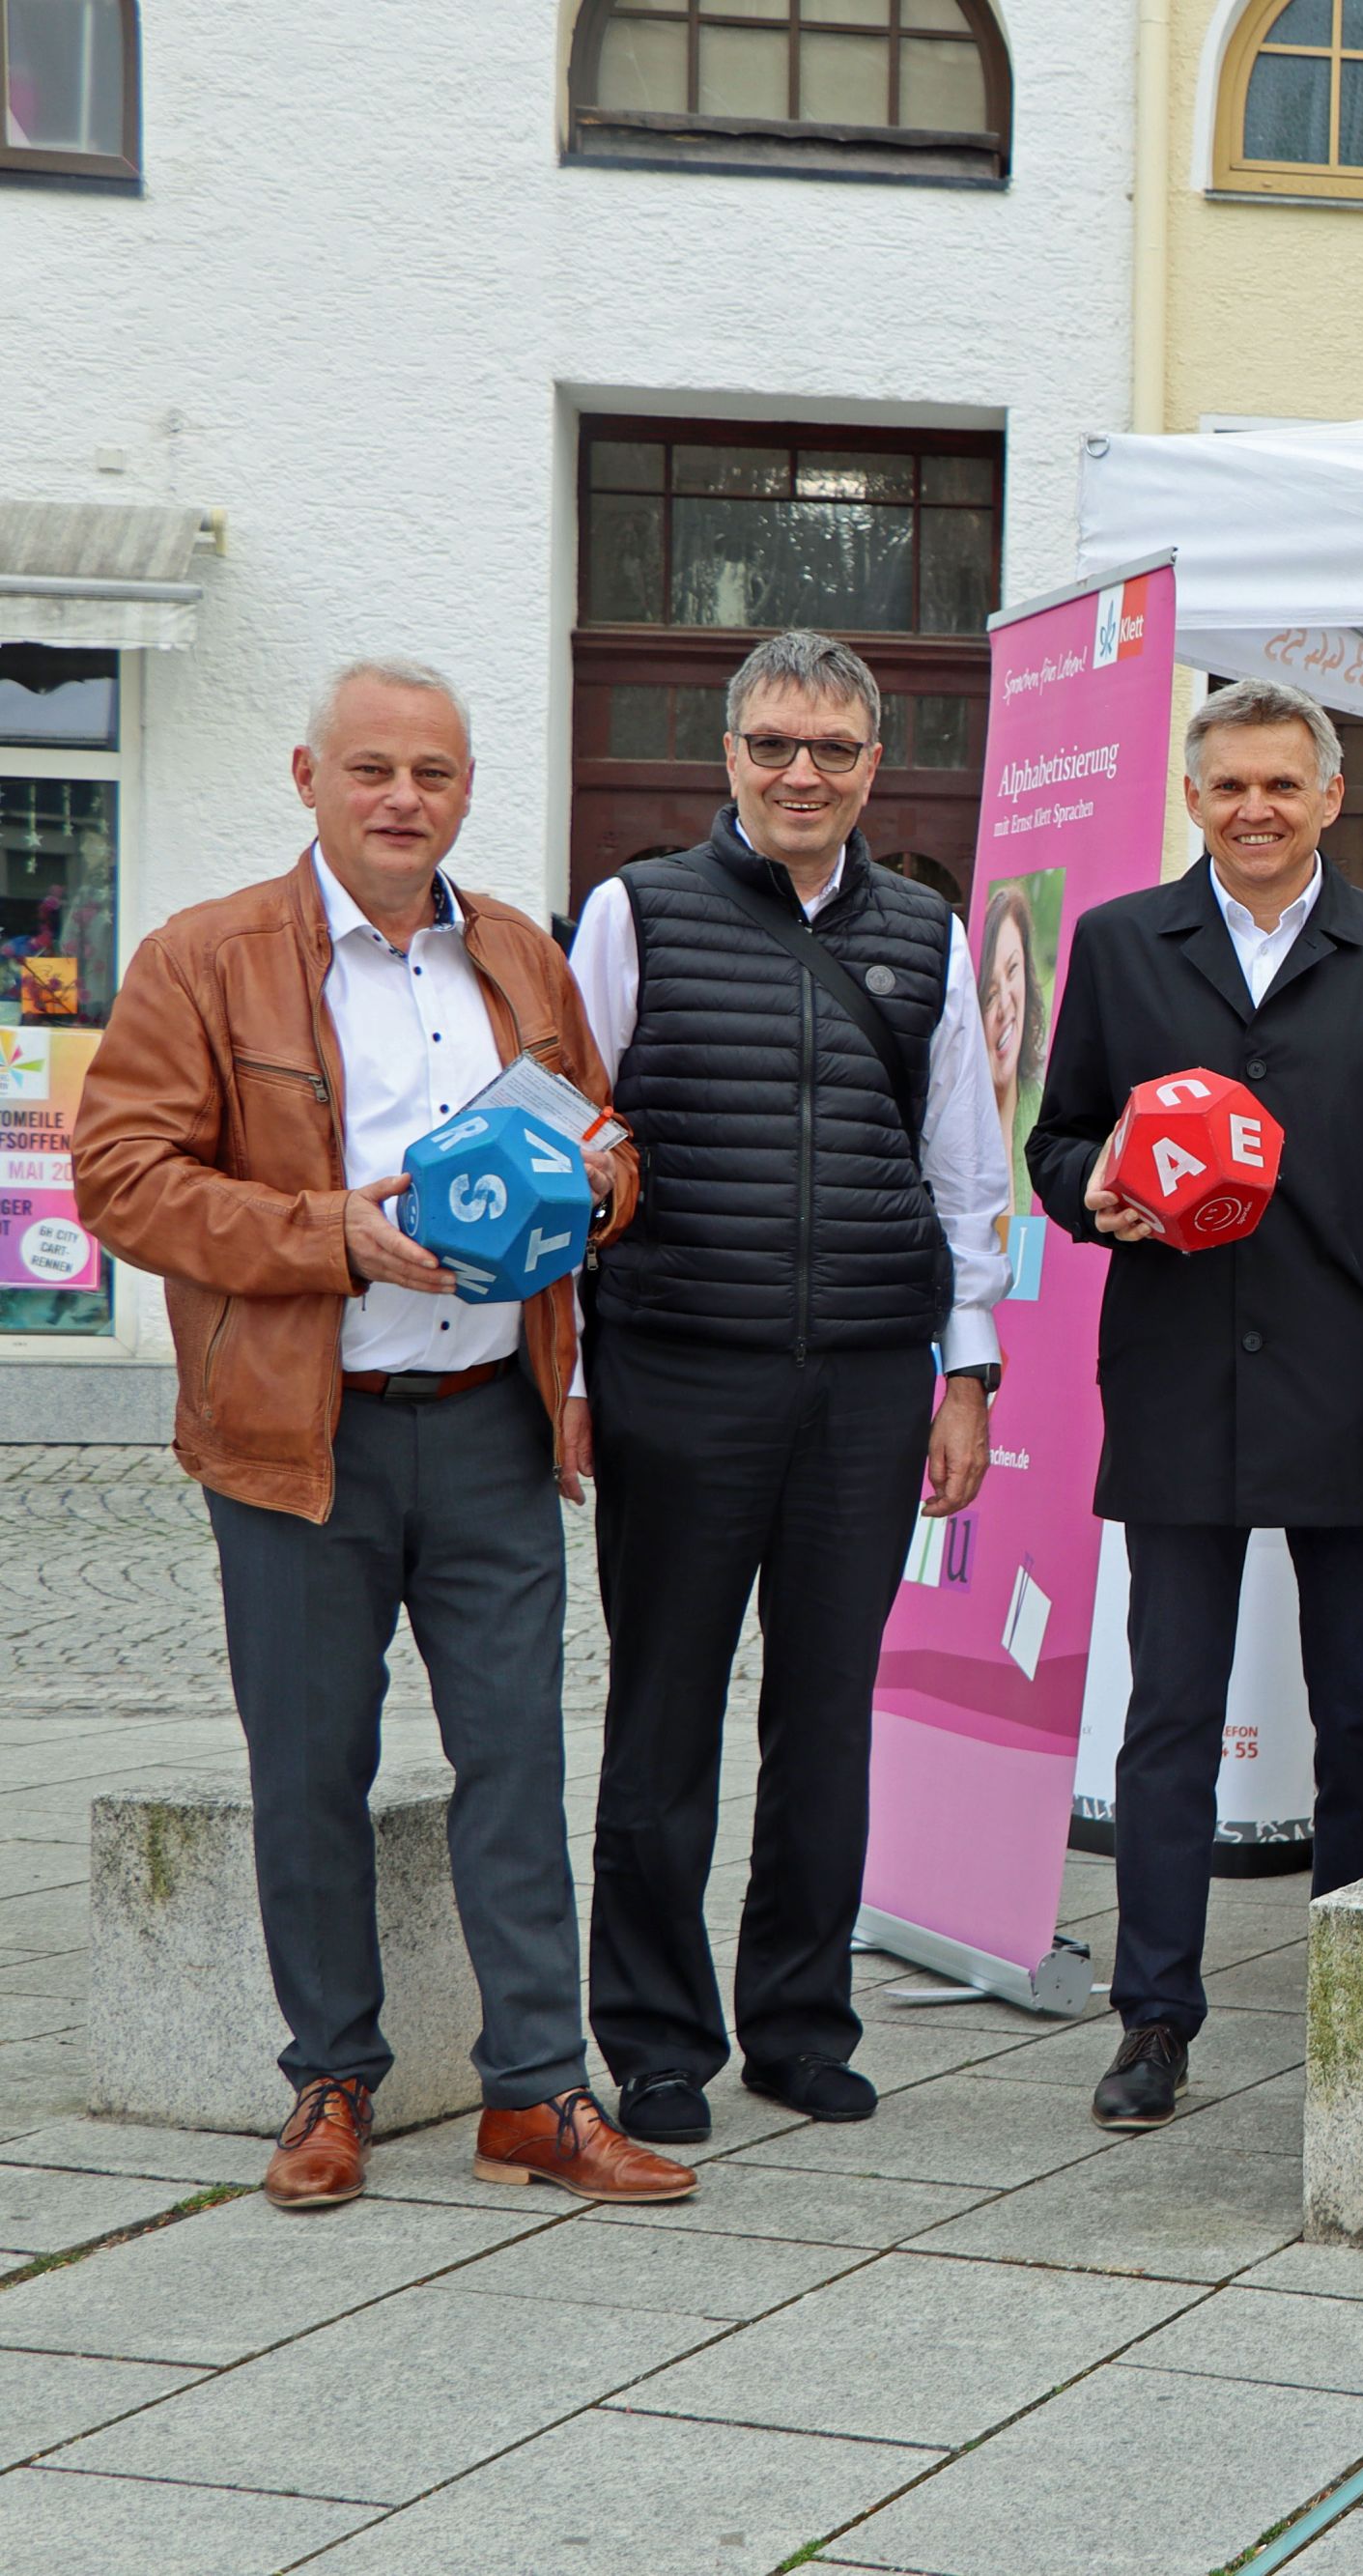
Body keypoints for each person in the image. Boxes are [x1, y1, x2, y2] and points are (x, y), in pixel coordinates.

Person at [71, 660, 693, 2210]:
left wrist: (602, 1178)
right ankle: (331, 2078)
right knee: (310, 1766)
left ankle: (539, 2092)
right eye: (371, 769)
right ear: (307, 774)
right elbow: (123, 1179)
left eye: (432, 770)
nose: (402, 796)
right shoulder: (205, 956)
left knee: (514, 1763)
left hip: (489, 1420)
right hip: (299, 1435)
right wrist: (331, 1232)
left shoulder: (518, 956)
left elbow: (596, 1128)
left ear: (467, 788)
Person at [565, 629, 1012, 2145]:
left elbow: (965, 1178)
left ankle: (801, 2023)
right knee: (664, 1714)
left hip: (864, 1392)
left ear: (874, 766)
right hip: (679, 1373)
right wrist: (566, 1370)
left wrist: (967, 1375)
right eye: (772, 745)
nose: (801, 772)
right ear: (730, 756)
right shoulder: (635, 914)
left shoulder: (929, 938)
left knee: (827, 1719)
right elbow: (574, 1162)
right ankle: (658, 2038)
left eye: (830, 748)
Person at [1027, 679, 1363, 2131]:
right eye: (1228, 785)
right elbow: (1059, 1139)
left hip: (1356, 1384)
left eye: (1282, 784)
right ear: (1193, 796)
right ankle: (1154, 2017)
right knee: (1169, 1716)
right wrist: (1092, 1194)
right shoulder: (1117, 944)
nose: (1256, 809)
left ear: (1330, 796)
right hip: (1178, 1384)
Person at [979, 881, 1049, 1174]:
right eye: (991, 994)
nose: (1005, 1004)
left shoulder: (1050, 1120)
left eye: (1012, 970)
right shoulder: (957, 1126)